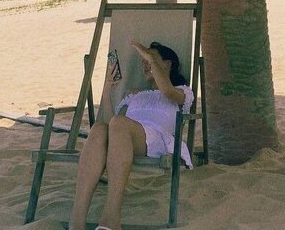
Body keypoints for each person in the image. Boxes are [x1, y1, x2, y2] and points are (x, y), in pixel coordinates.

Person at [68, 40, 194, 230]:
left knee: (119, 124)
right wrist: (107, 89)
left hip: (156, 140)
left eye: (150, 59)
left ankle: (111, 220)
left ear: (167, 64)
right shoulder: (135, 94)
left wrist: (150, 57)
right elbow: (112, 124)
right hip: (126, 137)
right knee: (100, 129)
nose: (145, 63)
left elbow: (166, 90)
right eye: (144, 60)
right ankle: (76, 223)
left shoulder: (182, 92)